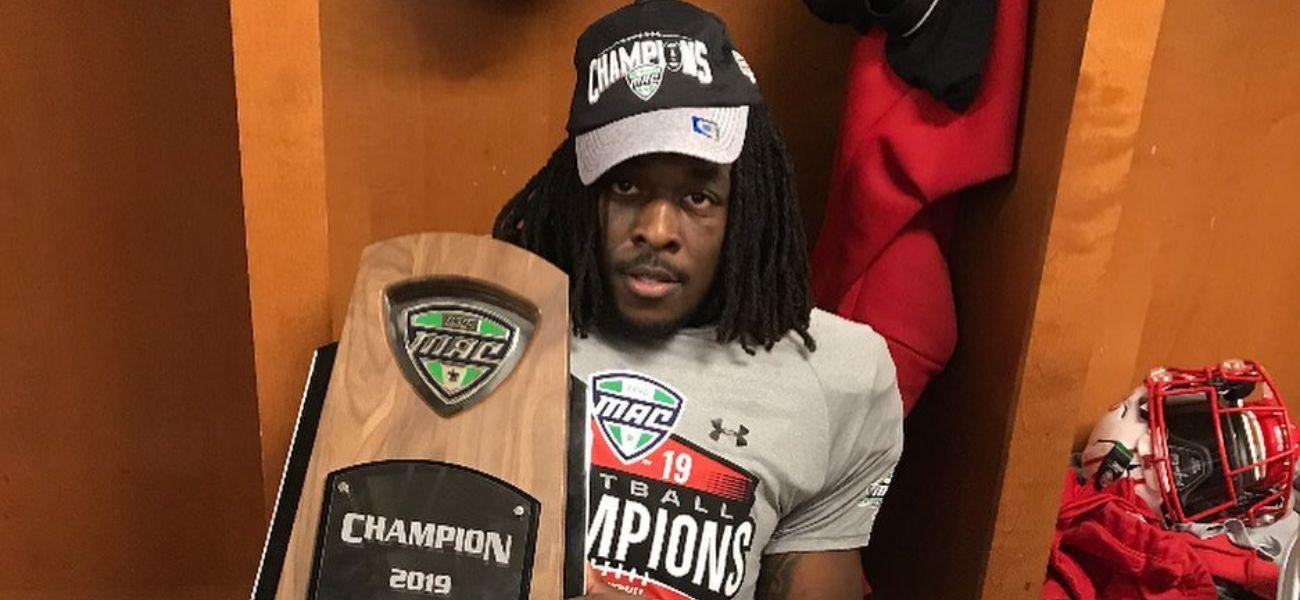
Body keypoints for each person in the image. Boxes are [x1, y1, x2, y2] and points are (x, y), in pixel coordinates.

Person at [493, 1, 903, 598]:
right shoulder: (497, 339)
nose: (657, 229)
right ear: (578, 192)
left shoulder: (836, 376)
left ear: (747, 205)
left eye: (698, 196)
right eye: (625, 184)